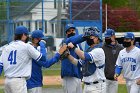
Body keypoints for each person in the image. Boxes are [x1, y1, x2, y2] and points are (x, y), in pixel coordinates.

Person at [0, 26, 67, 93]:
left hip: (9, 81)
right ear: (36, 39)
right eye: (42, 40)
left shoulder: (8, 47)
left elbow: (1, 65)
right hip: (31, 83)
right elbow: (46, 63)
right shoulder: (29, 48)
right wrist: (58, 54)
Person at [67, 27, 106, 93]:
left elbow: (85, 56)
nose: (88, 39)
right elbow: (79, 63)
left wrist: (74, 47)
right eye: (87, 37)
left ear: (97, 38)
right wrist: (68, 55)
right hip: (87, 85)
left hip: (97, 86)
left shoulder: (99, 50)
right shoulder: (89, 50)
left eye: (90, 37)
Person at [61, 23, 83, 93]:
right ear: (66, 33)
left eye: (73, 30)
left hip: (77, 74)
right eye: (69, 31)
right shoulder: (65, 41)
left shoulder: (78, 44)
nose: (72, 32)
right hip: (69, 75)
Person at [102, 28, 123, 93]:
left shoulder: (120, 48)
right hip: (103, 79)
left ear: (113, 36)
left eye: (108, 37)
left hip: (114, 79)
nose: (107, 38)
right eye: (106, 37)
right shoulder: (102, 48)